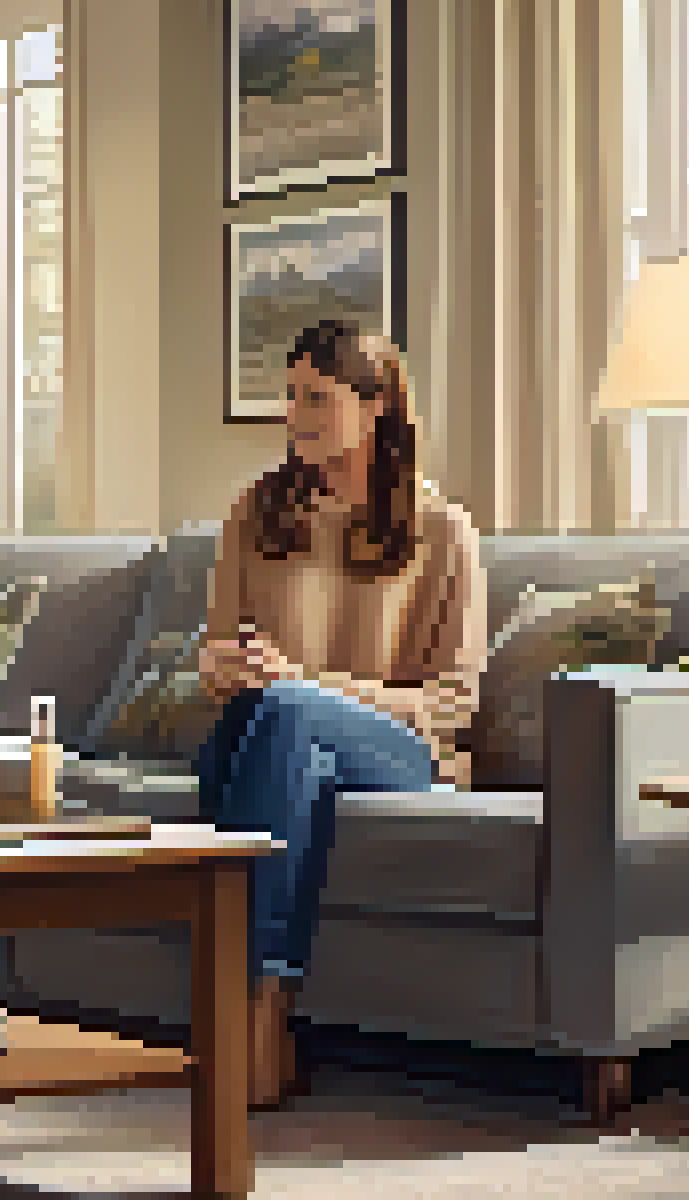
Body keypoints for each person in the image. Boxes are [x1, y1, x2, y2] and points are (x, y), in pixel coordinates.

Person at [192, 319, 488, 1110]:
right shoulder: (254, 514)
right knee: (283, 731)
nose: (294, 416)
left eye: (316, 399)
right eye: (290, 397)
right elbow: (218, 654)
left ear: (378, 405)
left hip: (401, 750)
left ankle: (250, 1014)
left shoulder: (441, 531)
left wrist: (308, 685)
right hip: (273, 736)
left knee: (289, 714)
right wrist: (224, 668)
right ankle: (266, 1014)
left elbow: (453, 703)